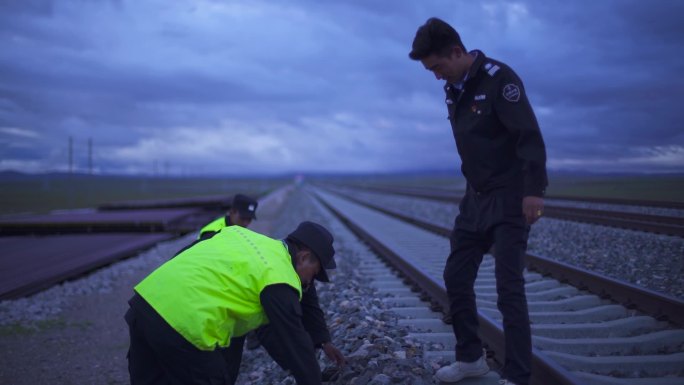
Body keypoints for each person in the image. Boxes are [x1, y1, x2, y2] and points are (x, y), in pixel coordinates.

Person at [409, 17, 547, 385]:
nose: (436, 76)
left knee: (508, 289)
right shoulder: (455, 86)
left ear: (457, 52)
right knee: (455, 276)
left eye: (438, 67)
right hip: (476, 198)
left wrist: (534, 189)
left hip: (510, 197)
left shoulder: (499, 79)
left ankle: (518, 376)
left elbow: (528, 135)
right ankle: (471, 359)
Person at [125, 221, 345, 385]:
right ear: (305, 257)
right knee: (211, 378)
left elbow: (187, 252)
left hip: (146, 303)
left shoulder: (243, 237)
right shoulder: (278, 278)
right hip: (181, 324)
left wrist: (322, 339)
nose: (310, 282)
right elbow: (293, 339)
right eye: (314, 274)